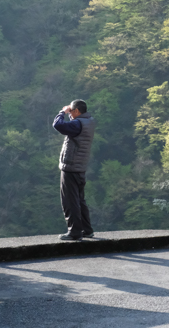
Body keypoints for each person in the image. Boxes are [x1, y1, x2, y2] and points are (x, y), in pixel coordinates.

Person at [53, 99, 96, 240]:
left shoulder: (78, 124)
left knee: (70, 201)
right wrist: (68, 111)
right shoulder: (89, 121)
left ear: (77, 111)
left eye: (71, 111)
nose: (69, 113)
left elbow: (57, 125)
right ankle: (87, 230)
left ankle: (75, 232)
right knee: (79, 200)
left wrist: (62, 112)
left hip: (71, 167)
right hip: (80, 167)